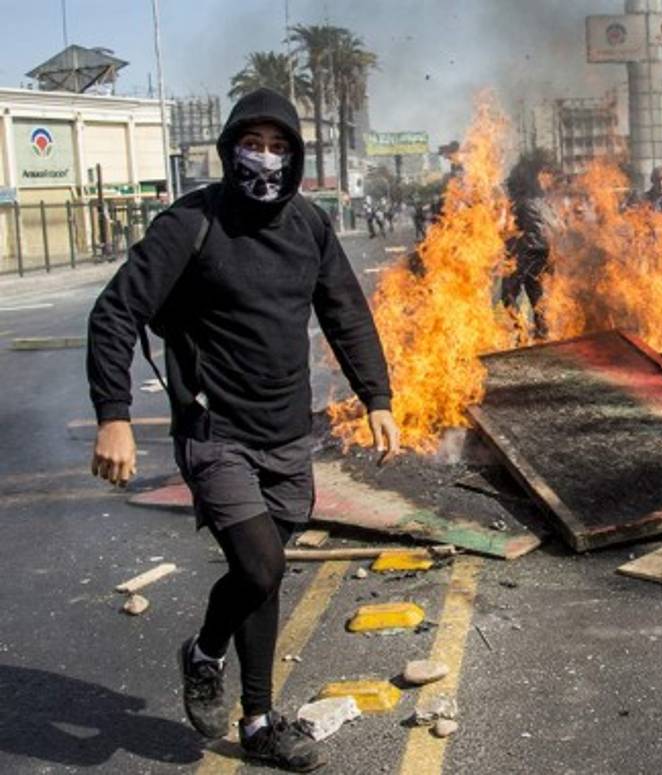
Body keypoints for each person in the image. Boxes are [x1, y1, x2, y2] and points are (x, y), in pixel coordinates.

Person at [87, 88, 399, 772]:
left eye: (280, 145)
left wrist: (376, 394)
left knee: (260, 575)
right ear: (229, 149)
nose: (266, 157)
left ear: (296, 155)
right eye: (253, 143)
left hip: (288, 432)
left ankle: (248, 709)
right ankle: (219, 670)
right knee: (261, 562)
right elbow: (115, 312)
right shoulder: (190, 224)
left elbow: (345, 310)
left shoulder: (310, 227)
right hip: (215, 428)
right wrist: (114, 415)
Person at [502, 154, 556, 336]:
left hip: (523, 256)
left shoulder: (520, 205)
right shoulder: (543, 204)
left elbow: (508, 231)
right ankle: (542, 330)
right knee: (536, 295)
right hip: (541, 256)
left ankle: (521, 329)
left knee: (508, 295)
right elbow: (558, 229)